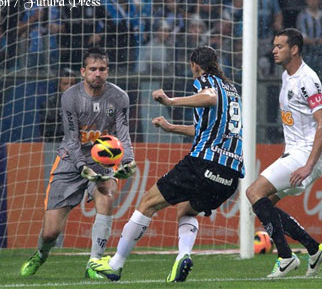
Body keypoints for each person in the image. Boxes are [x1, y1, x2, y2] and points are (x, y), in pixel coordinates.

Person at [87, 46, 244, 282]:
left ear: (194, 64)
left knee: (148, 203)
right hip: (229, 175)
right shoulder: (232, 91)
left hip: (203, 163)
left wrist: (170, 101)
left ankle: (115, 264)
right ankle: (184, 255)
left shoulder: (205, 81)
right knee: (186, 209)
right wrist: (171, 128)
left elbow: (209, 97)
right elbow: (206, 129)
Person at [20, 47, 137, 279]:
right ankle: (41, 255)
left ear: (108, 72)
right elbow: (71, 140)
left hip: (101, 161)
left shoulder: (119, 97)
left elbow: (123, 135)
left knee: (107, 195)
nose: (97, 74)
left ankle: (94, 262)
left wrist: (128, 161)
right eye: (92, 69)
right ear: (83, 72)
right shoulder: (70, 97)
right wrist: (82, 168)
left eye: (102, 69)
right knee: (51, 233)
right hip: (69, 161)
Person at [246, 28, 322, 278]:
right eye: (274, 45)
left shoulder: (308, 79)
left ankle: (286, 257)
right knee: (265, 204)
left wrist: (307, 166)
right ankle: (314, 249)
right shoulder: (287, 76)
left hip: (306, 154)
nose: (274, 50)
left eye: (280, 46)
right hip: (295, 152)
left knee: (253, 192)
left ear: (294, 49)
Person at [39, 68, 77, 142]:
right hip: (54, 144)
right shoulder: (49, 104)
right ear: (59, 85)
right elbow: (45, 130)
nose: (69, 87)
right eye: (65, 84)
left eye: (72, 84)